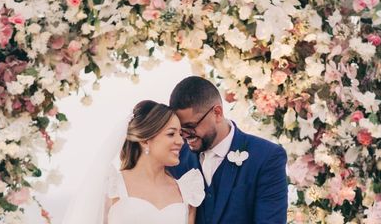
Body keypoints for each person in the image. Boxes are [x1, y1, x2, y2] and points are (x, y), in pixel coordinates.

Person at [168, 76, 288, 224]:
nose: (184, 135)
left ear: (217, 113)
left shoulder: (267, 157)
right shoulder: (174, 158)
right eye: (181, 129)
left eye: (191, 126)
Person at [102, 100, 205, 224]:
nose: (180, 141)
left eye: (180, 134)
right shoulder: (112, 186)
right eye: (171, 134)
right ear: (145, 141)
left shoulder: (187, 191)